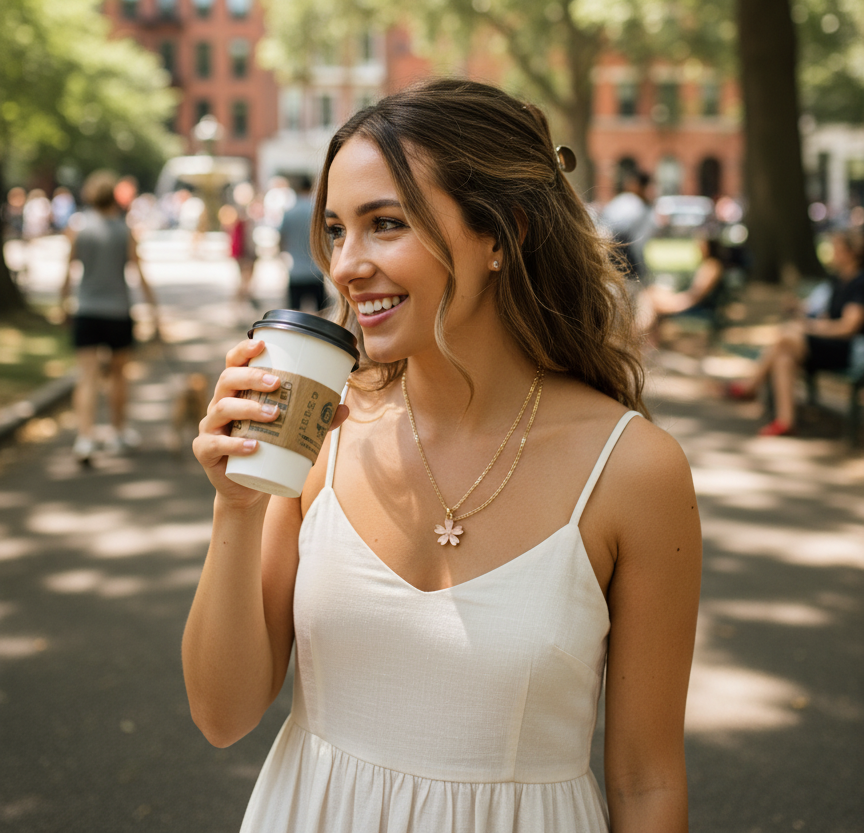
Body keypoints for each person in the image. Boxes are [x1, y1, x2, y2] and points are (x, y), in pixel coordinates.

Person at [184, 79, 701, 833]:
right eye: (336, 230)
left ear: (504, 234)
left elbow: (648, 782)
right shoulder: (323, 434)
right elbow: (222, 715)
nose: (347, 265)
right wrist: (236, 506)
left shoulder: (634, 472)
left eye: (385, 225)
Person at [60, 170, 159, 464]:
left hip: (87, 310)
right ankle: (118, 431)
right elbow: (138, 271)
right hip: (118, 311)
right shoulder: (124, 230)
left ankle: (85, 437)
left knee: (87, 376)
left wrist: (62, 302)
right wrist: (154, 308)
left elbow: (68, 270)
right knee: (118, 376)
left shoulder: (78, 230)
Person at [726, 229, 864, 436]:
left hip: (847, 351)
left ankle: (751, 386)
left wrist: (811, 327)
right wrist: (803, 313)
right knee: (784, 357)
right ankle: (785, 420)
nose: (832, 253)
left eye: (836, 248)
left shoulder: (859, 283)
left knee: (787, 336)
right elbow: (828, 316)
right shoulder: (838, 280)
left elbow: (848, 327)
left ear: (851, 253)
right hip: (827, 345)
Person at [635, 234, 726, 342]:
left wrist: (675, 298)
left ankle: (637, 333)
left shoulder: (712, 267)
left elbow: (696, 295)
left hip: (694, 306)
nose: (698, 248)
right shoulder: (710, 265)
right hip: (692, 301)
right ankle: (643, 335)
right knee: (651, 294)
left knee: (650, 298)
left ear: (709, 247)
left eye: (701, 245)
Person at [279, 174, 327, 313]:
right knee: (321, 314)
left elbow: (282, 239)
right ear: (311, 187)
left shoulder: (289, 212)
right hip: (316, 271)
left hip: (296, 271)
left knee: (295, 314)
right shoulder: (317, 211)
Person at [601, 169, 653, 283]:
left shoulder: (625, 201)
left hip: (616, 258)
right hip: (625, 259)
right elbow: (618, 232)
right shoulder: (633, 204)